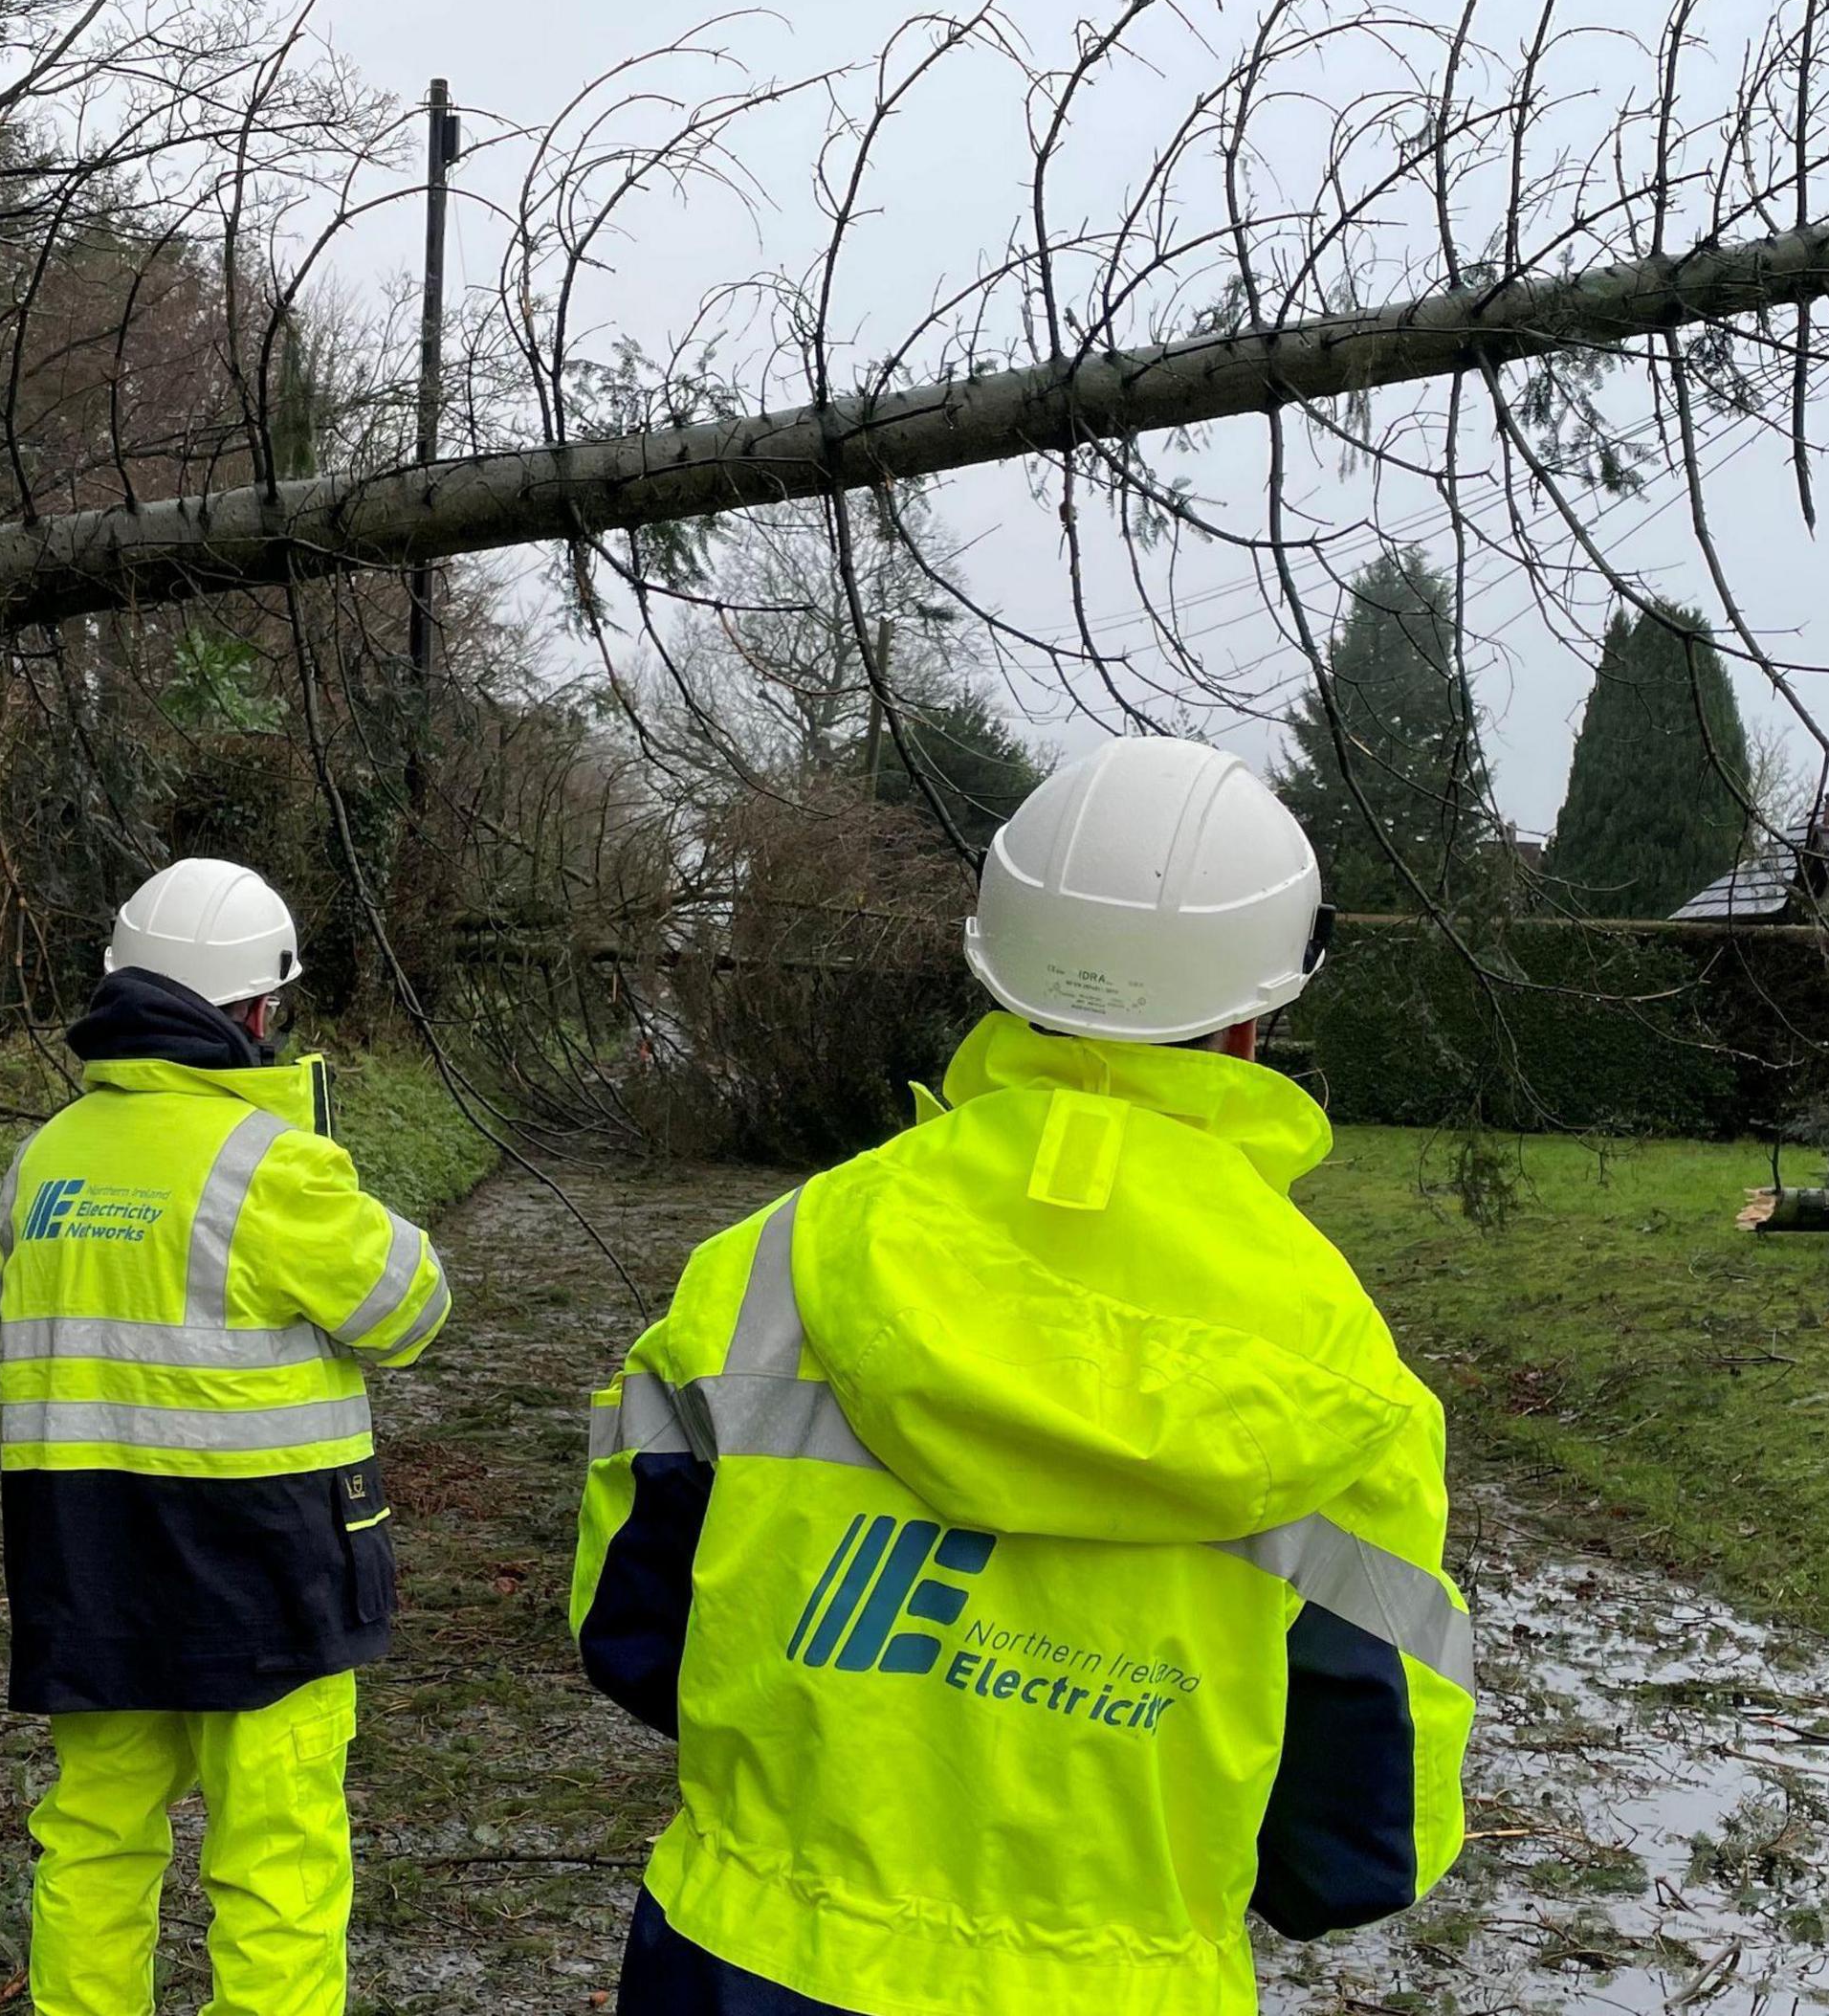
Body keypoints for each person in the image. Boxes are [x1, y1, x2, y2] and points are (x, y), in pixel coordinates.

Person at [570, 737, 1476, 2016]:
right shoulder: (1343, 1367)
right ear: (1255, 1013)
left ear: (994, 958)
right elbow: (1355, 1847)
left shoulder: (772, 1264)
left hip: (744, 1960)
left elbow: (630, 1625)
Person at [0, 858, 452, 2016]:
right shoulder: (272, 1165)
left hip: (85, 1564)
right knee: (275, 1862)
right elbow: (411, 1310)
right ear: (255, 1012)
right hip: (262, 1569)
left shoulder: (38, 1162)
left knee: (95, 1841)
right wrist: (295, 1123)